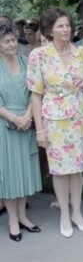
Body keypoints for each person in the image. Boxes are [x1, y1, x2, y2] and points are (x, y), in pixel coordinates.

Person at [27, 8, 83, 238]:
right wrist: (39, 129)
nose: (65, 29)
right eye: (60, 26)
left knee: (77, 169)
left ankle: (77, 213)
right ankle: (64, 215)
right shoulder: (38, 55)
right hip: (54, 122)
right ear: (49, 30)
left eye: (67, 25)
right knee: (59, 171)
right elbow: (36, 95)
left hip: (79, 118)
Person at [0, 19, 42, 242]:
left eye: (13, 40)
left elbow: (35, 92)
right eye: (6, 41)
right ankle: (12, 220)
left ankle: (24, 216)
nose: (11, 44)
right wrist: (15, 118)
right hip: (4, 126)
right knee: (9, 173)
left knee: (24, 171)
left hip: (26, 121)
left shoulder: (27, 62)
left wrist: (27, 115)